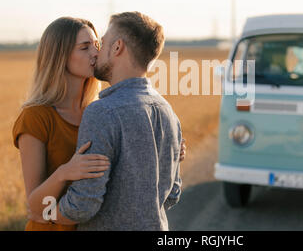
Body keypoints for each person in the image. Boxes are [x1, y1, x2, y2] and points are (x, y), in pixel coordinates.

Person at [13, 16, 185, 231]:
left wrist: (160, 153)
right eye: (85, 48)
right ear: (59, 56)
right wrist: (65, 172)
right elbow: (34, 204)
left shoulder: (101, 112)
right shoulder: (36, 117)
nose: (95, 52)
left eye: (97, 45)